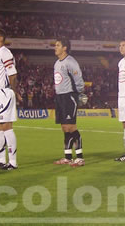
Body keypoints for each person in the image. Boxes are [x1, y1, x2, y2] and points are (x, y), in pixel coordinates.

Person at [0, 29, 20, 170]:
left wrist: (13, 91)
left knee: (7, 127)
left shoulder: (5, 53)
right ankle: (1, 159)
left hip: (4, 92)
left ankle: (13, 162)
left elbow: (12, 74)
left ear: (0, 38)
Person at [53, 38, 86, 167]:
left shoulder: (71, 62)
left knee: (71, 127)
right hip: (60, 97)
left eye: (58, 45)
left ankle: (80, 158)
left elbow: (78, 79)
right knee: (65, 128)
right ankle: (67, 157)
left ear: (65, 47)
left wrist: (78, 94)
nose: (55, 47)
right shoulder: (57, 63)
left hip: (69, 96)